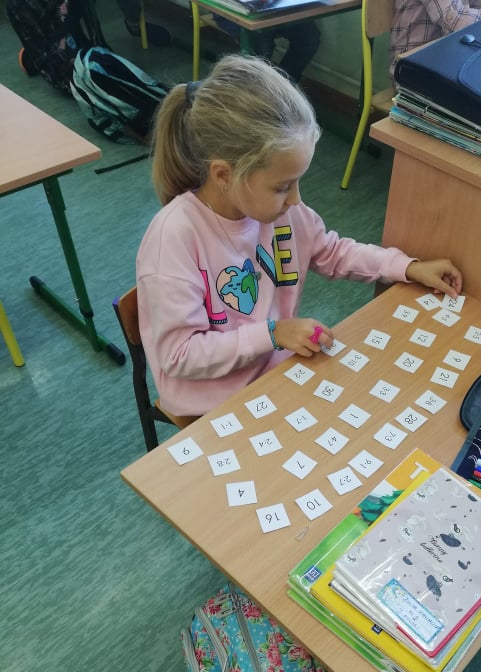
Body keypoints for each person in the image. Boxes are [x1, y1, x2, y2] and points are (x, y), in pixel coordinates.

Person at [136, 54, 463, 418]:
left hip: (275, 368)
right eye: (282, 187)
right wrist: (274, 333)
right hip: (212, 400)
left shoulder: (282, 212)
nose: (296, 200)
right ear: (224, 175)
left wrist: (406, 267)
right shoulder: (173, 238)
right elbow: (179, 355)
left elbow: (333, 252)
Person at [211, 15, 320, 83]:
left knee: (308, 36)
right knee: (261, 46)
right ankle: (255, 94)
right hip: (234, 10)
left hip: (274, 9)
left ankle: (284, 86)